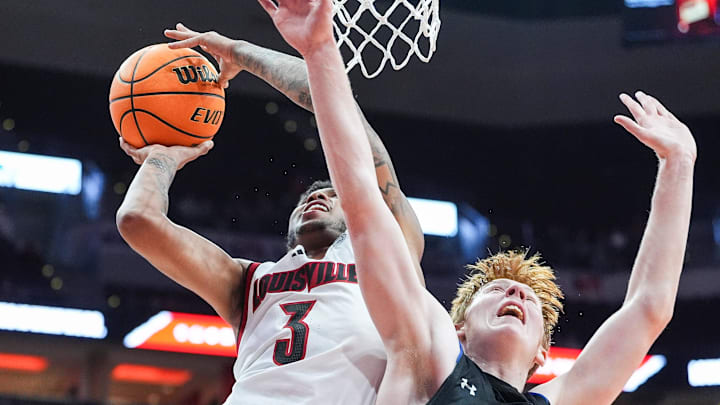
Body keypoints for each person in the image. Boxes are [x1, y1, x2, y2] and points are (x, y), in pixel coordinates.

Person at [258, 0, 697, 404]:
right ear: (460, 327)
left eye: (526, 298)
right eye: (496, 291)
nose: (514, 293)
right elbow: (362, 203)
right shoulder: (428, 355)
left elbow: (648, 307)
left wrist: (679, 163)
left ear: (543, 352)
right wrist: (319, 51)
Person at [115, 21, 425, 405]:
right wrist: (161, 158)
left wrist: (240, 52)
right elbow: (138, 220)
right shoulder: (246, 282)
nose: (318, 197)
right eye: (309, 197)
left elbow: (336, 107)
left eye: (333, 194)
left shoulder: (390, 256)